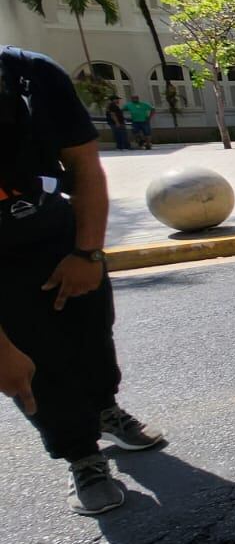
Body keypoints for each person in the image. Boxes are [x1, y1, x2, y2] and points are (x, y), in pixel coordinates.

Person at [0, 47, 165, 517]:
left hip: (56, 233)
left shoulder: (31, 74)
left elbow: (85, 166)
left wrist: (86, 252)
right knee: (32, 362)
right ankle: (81, 456)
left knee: (93, 333)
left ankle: (104, 409)